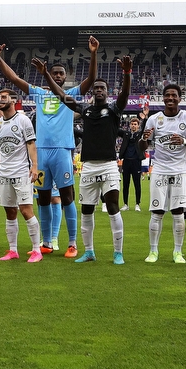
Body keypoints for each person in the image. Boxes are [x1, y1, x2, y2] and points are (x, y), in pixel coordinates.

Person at [0, 37, 98, 257]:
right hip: (41, 153)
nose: (57, 76)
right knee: (44, 198)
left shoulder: (72, 95)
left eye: (60, 73)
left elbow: (92, 78)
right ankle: (47, 242)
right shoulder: (39, 93)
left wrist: (94, 53)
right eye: (54, 73)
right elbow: (13, 77)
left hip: (62, 151)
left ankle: (71, 243)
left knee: (67, 197)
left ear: (65, 76)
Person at [33, 54, 132, 264]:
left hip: (108, 166)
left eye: (101, 88)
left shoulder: (114, 110)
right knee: (87, 209)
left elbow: (124, 94)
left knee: (113, 207)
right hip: (88, 166)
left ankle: (118, 252)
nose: (98, 90)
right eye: (95, 88)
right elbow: (62, 96)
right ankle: (89, 252)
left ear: (106, 92)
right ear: (92, 93)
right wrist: (46, 76)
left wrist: (126, 73)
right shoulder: (85, 111)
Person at [139, 84, 186, 263]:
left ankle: (178, 252)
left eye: (174, 95)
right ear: (163, 98)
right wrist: (144, 139)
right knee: (157, 212)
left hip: (179, 171)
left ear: (179, 98)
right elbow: (142, 147)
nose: (170, 98)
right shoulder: (153, 119)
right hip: (159, 170)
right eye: (167, 95)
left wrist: (183, 140)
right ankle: (153, 251)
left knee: (178, 212)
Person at [0, 89, 42, 262]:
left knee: (25, 210)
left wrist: (34, 166)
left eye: (4, 98)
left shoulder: (23, 120)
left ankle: (37, 250)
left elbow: (31, 145)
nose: (0, 100)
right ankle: (13, 250)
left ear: (13, 101)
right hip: (4, 173)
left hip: (21, 172)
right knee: (9, 212)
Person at [118, 110, 148, 212]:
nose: (133, 126)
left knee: (137, 184)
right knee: (125, 184)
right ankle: (125, 204)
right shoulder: (126, 134)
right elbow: (116, 129)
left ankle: (137, 204)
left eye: (135, 124)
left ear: (138, 126)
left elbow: (144, 130)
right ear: (129, 125)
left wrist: (145, 118)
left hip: (136, 161)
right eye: (132, 124)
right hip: (126, 161)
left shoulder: (139, 135)